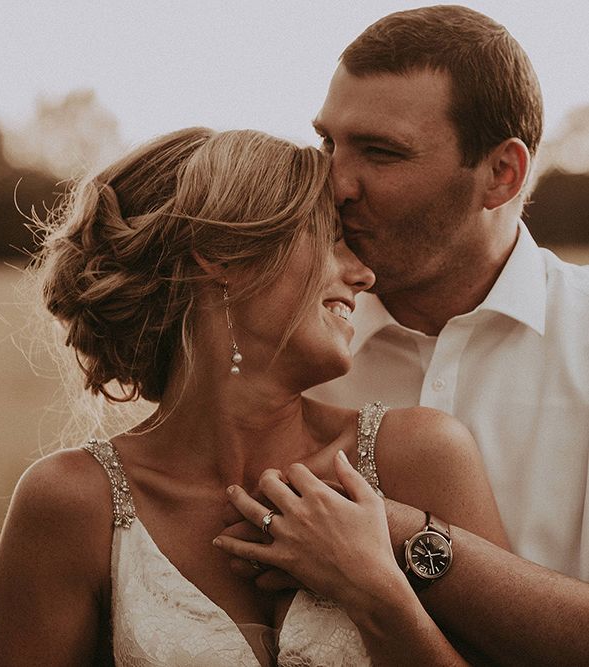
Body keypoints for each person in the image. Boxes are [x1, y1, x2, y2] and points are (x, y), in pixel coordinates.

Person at [0, 127, 508, 666]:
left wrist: (379, 596)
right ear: (224, 255)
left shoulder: (419, 456)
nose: (363, 274)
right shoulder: (73, 504)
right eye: (331, 239)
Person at [214, 5, 589, 665]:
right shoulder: (272, 345)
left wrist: (400, 536)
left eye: (380, 153)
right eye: (328, 142)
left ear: (501, 174)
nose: (334, 182)